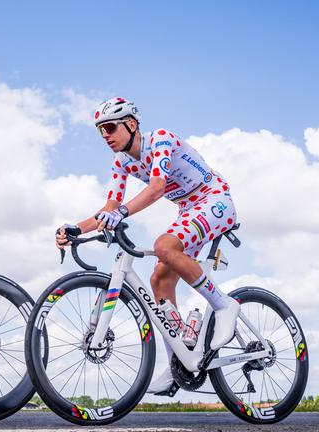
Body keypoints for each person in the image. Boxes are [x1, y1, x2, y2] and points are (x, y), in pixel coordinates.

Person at [55, 97, 239, 395]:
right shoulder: (121, 162)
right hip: (187, 208)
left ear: (131, 124)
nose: (106, 136)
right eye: (101, 131)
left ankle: (224, 304)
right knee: (159, 280)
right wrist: (76, 227)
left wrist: (121, 214)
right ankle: (179, 361)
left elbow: (156, 189)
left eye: (111, 127)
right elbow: (110, 206)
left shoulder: (160, 140)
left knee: (164, 246)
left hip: (213, 199)